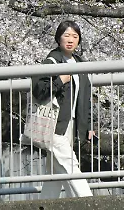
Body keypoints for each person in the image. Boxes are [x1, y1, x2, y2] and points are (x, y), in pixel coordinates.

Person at [32, 20, 96, 198]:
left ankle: (45, 205)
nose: (70, 40)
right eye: (66, 35)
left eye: (75, 36)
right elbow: (39, 90)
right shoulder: (51, 61)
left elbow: (85, 97)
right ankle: (89, 202)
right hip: (54, 124)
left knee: (55, 173)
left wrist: (89, 125)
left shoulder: (80, 63)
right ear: (58, 38)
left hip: (71, 124)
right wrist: (60, 80)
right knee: (70, 164)